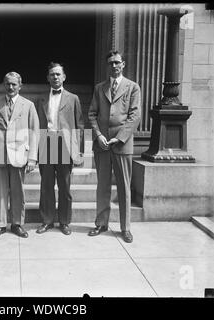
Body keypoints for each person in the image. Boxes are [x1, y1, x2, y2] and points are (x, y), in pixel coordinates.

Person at [87, 50, 141, 243]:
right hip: (102, 145)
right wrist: (99, 135)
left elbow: (135, 116)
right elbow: (92, 114)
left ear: (123, 64)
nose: (114, 66)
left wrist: (120, 137)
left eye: (117, 62)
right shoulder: (99, 88)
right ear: (107, 66)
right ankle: (101, 223)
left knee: (124, 187)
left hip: (122, 145)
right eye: (110, 63)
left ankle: (125, 228)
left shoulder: (132, 87)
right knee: (102, 186)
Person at [0, 72, 40, 240]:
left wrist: (32, 157)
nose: (11, 87)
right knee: (1, 192)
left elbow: (34, 133)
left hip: (19, 155)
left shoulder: (28, 105)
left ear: (20, 86)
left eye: (14, 84)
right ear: (4, 85)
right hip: (0, 155)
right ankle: (0, 225)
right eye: (8, 84)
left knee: (17, 192)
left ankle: (17, 224)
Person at [35, 62, 84, 235]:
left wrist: (79, 151)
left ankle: (64, 221)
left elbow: (79, 125)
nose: (55, 77)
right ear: (48, 78)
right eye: (52, 74)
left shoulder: (73, 98)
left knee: (65, 186)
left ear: (64, 77)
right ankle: (47, 220)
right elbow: (36, 126)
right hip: (47, 142)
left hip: (65, 144)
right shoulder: (41, 99)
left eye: (58, 74)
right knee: (46, 185)